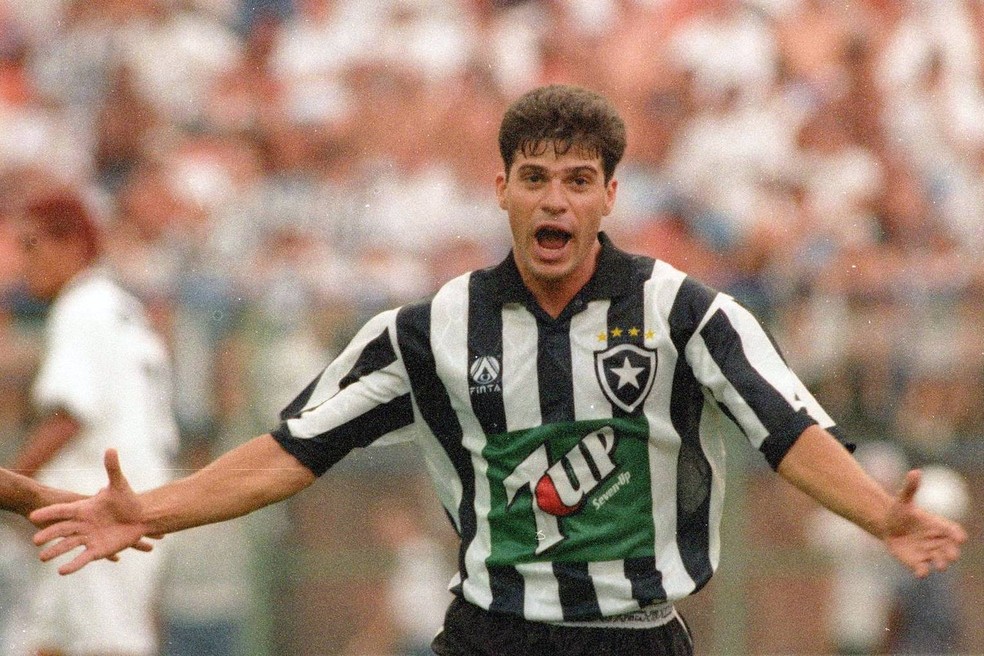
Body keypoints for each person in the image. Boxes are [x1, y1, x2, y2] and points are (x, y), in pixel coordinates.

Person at [28, 85, 966, 656]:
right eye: (534, 177)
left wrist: (879, 513)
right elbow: (291, 450)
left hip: (638, 641)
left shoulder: (687, 314)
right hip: (491, 636)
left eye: (575, 179)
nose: (553, 198)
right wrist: (153, 507)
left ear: (608, 195)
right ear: (502, 189)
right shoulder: (428, 328)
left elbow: (789, 433)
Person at [5, 191, 178, 656]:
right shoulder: (119, 304)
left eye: (32, 245)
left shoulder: (81, 306)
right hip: (128, 498)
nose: (24, 262)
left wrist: (11, 485)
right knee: (48, 643)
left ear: (73, 244)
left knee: (106, 645)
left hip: (97, 507)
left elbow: (69, 417)